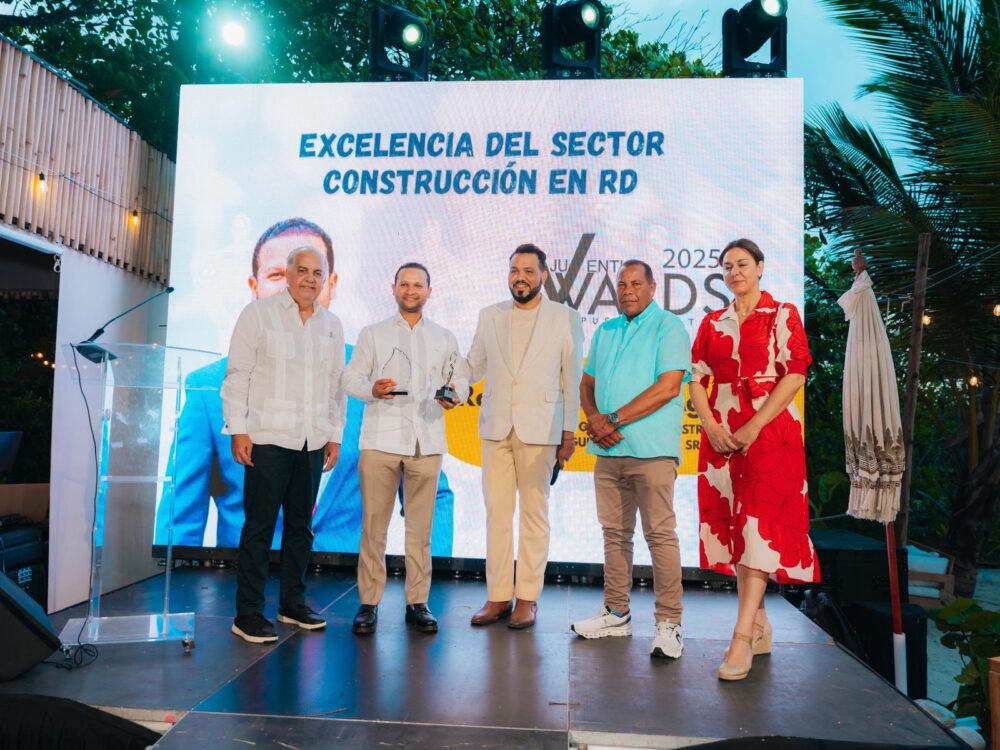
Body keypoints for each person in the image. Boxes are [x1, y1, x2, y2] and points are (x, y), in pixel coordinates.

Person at [154, 217, 454, 556]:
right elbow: (180, 520)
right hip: (248, 576)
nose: (298, 285)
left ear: (331, 285)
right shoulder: (207, 388)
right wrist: (179, 577)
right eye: (278, 275)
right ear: (254, 286)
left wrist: (435, 576)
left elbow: (431, 494)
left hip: (347, 580)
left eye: (314, 274)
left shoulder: (377, 377)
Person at [689, 238, 819, 681]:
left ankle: (742, 636)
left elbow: (795, 373)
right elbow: (696, 379)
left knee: (758, 527)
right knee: (736, 530)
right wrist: (710, 424)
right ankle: (759, 622)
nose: (734, 272)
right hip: (722, 432)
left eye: (742, 264)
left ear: (760, 267)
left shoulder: (782, 314)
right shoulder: (713, 321)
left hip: (771, 431)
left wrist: (754, 426)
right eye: (727, 266)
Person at [222, 246, 345, 643]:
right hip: (267, 438)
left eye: (317, 273)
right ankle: (248, 613)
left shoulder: (332, 324)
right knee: (259, 529)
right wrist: (238, 430)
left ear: (325, 280)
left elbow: (336, 386)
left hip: (312, 441)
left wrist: (334, 435)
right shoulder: (258, 314)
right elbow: (238, 374)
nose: (310, 278)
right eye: (302, 270)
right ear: (289, 275)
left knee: (300, 529)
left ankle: (292, 603)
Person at [570, 260, 691, 659]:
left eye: (636, 284)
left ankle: (669, 622)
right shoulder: (605, 331)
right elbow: (587, 384)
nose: (628, 291)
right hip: (608, 451)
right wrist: (594, 419)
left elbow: (668, 387)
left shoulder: (669, 327)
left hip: (651, 451)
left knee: (660, 535)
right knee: (614, 534)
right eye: (622, 284)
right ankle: (616, 612)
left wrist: (614, 419)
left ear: (653, 288)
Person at [342, 263, 469, 635]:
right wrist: (371, 389)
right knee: (373, 527)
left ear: (429, 290)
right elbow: (350, 377)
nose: (411, 290)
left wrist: (455, 394)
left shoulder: (444, 337)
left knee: (420, 530)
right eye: (404, 284)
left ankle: (418, 602)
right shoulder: (373, 333)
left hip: (426, 441)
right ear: (393, 288)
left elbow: (460, 378)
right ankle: (368, 603)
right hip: (380, 441)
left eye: (418, 285)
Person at [466, 244, 583, 629]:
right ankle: (498, 595)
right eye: (515, 270)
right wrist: (450, 382)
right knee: (497, 514)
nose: (521, 277)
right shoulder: (490, 315)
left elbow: (572, 379)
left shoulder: (565, 317)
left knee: (535, 514)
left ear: (544, 275)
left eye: (529, 271)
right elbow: (473, 366)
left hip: (542, 428)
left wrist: (568, 432)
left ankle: (528, 598)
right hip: (496, 427)